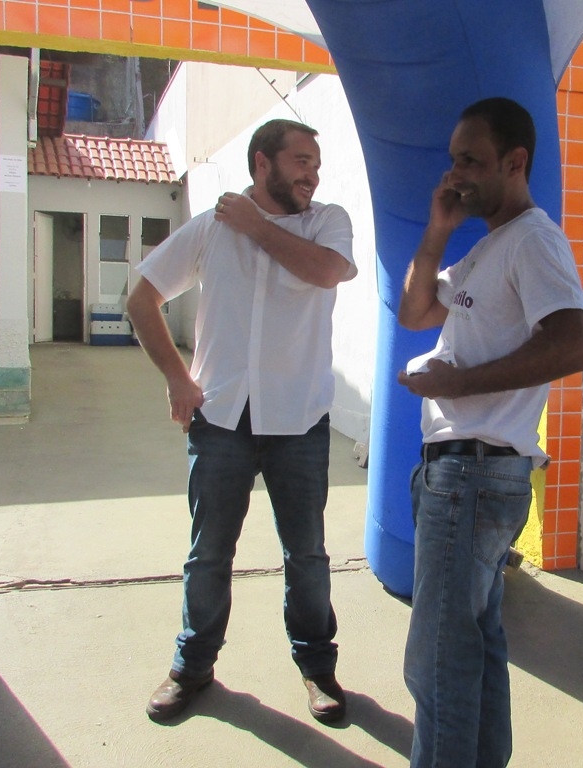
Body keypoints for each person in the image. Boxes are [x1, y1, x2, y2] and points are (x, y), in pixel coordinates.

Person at [128, 118, 356, 725]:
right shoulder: (212, 228)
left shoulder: (327, 222)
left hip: (298, 421)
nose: (312, 174)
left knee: (306, 554)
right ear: (263, 163)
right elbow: (141, 297)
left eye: (316, 164)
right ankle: (192, 667)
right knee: (208, 554)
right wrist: (177, 377)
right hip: (221, 418)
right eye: (301, 161)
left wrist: (256, 226)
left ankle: (318, 668)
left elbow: (327, 272)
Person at [395, 96, 583, 768]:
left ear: (516, 162)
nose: (457, 174)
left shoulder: (534, 240)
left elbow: (574, 343)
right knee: (472, 646)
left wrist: (458, 384)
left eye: (472, 161)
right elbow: (416, 311)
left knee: (437, 663)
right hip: (466, 475)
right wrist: (437, 229)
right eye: (454, 160)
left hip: (473, 475)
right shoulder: (490, 247)